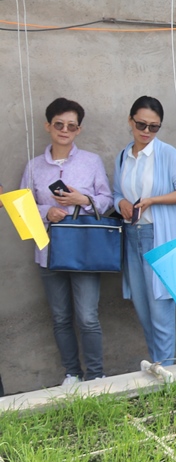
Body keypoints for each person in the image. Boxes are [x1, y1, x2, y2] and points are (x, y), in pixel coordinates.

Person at [21, 98, 113, 385]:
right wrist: (46, 212)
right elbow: (23, 208)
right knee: (60, 317)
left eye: (71, 126)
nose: (64, 130)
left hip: (85, 250)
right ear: (48, 126)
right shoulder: (34, 167)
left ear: (79, 130)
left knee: (87, 316)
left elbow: (107, 200)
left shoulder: (91, 161)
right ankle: (72, 373)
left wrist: (82, 199)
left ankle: (96, 375)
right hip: (48, 252)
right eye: (59, 124)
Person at [114, 96, 176, 367]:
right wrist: (121, 204)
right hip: (132, 237)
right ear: (130, 121)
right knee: (143, 310)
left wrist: (152, 200)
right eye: (141, 125)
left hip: (159, 237)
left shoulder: (168, 154)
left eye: (154, 127)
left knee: (161, 310)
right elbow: (116, 193)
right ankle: (157, 369)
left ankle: (167, 373)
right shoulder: (123, 156)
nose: (146, 131)